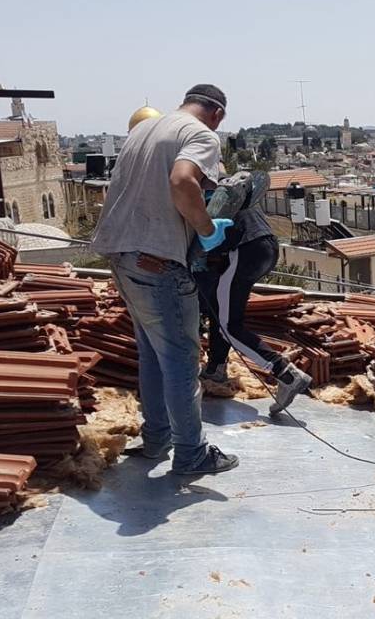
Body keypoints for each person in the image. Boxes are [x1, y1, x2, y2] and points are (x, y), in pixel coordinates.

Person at [90, 84, 239, 475]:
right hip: (157, 261)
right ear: (217, 115)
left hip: (123, 257)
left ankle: (157, 439)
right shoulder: (201, 134)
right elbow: (182, 181)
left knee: (154, 355)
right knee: (180, 360)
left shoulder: (143, 129)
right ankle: (191, 453)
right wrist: (206, 228)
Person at [193, 173, 313, 414]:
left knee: (228, 325)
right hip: (265, 247)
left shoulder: (205, 190)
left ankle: (285, 373)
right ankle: (216, 367)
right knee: (221, 311)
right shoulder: (228, 183)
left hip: (243, 250)